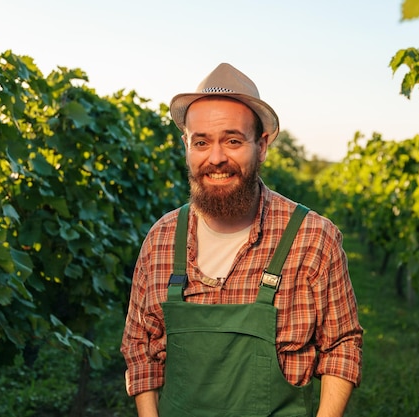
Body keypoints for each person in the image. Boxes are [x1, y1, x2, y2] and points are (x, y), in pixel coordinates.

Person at [121, 63, 363, 417]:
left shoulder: (313, 238)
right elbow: (139, 346)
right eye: (201, 142)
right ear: (186, 145)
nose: (216, 158)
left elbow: (342, 345)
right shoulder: (161, 240)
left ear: (261, 146)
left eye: (232, 141)